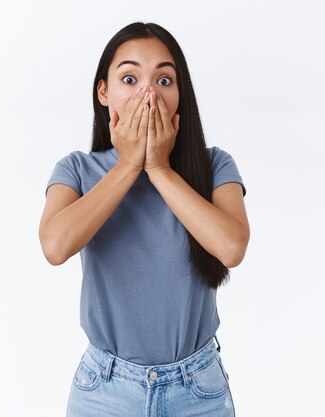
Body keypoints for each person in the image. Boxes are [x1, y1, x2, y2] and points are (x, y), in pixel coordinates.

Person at [39, 21, 250, 417]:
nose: (148, 93)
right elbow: (54, 246)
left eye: (164, 80)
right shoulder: (77, 170)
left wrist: (158, 168)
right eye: (130, 78)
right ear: (104, 92)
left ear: (180, 94)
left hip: (197, 389)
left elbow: (232, 247)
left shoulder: (214, 165)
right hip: (104, 390)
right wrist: (128, 165)